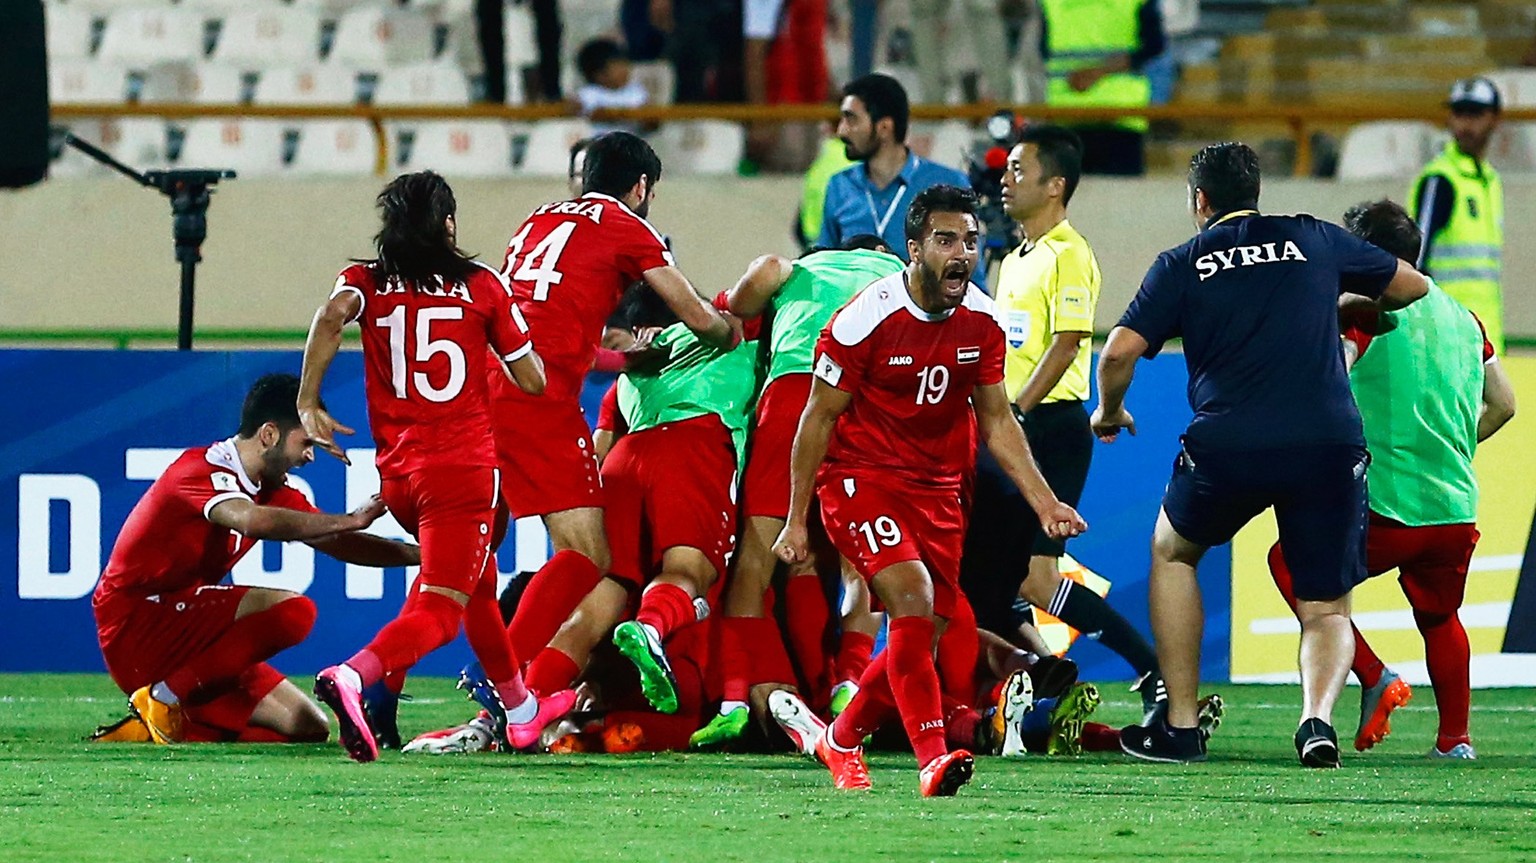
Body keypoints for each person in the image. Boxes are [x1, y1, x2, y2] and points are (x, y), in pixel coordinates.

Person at [1094, 142, 1430, 768]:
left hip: (1231, 442)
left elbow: (1117, 352)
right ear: (1256, 193)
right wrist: (1346, 303)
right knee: (1326, 605)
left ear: (1199, 200)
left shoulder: (1183, 262)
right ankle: (1317, 721)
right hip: (1326, 441)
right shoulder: (1312, 237)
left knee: (1174, 552)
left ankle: (1182, 725)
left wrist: (1109, 410)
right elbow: (1411, 286)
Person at [774, 185, 1087, 796]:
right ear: (913, 249)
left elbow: (997, 420)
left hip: (941, 493)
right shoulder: (867, 317)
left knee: (925, 629)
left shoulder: (983, 320)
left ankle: (839, 739)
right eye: (946, 240)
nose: (962, 253)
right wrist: (794, 520)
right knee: (913, 600)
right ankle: (931, 760)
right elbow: (817, 418)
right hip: (861, 480)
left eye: (971, 241)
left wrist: (1044, 501)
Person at [299, 171, 572, 763]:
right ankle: (354, 675)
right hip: (462, 473)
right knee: (442, 613)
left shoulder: (363, 281)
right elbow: (533, 379)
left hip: (398, 476)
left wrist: (308, 400)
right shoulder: (482, 286)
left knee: (476, 586)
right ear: (448, 224)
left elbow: (328, 317)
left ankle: (521, 712)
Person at [1267, 200, 1516, 761]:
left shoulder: (1368, 310)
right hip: (1453, 505)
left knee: (1290, 564)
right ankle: (1455, 741)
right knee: (1441, 617)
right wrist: (1449, 448)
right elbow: (1503, 404)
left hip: (1385, 504)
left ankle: (1375, 676)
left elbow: (1333, 379)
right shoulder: (1465, 318)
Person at [491, 131, 738, 671]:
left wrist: (623, 360)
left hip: (487, 383)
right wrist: (726, 332)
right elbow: (694, 314)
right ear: (642, 186)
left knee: (473, 555)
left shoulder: (539, 218)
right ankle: (503, 683)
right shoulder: (629, 226)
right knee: (587, 555)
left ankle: (383, 682)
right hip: (539, 397)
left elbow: (550, 318)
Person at [959, 124, 1166, 721]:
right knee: (996, 577)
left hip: (1046, 427)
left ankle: (1150, 669)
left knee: (1037, 578)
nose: (1005, 179)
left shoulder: (1070, 253)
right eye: (1006, 169)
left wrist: (1016, 411)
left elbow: (1070, 342)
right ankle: (1040, 684)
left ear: (1056, 186)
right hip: (1011, 428)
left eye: (1019, 170)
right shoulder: (1014, 259)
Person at [91, 373, 413, 745]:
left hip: (188, 637)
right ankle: (163, 699)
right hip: (138, 624)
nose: (309, 456)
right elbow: (249, 520)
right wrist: (353, 517)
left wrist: (429, 557)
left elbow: (341, 542)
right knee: (294, 612)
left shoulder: (269, 488)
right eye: (306, 442)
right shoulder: (200, 469)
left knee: (308, 726)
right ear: (269, 434)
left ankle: (156, 725)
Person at [689, 237, 906, 749]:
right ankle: (848, 683)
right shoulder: (897, 270)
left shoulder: (800, 271)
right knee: (861, 563)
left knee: (758, 560)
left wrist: (732, 304)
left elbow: (751, 285)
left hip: (796, 393)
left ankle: (735, 701)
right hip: (873, 401)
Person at [515, 285, 757, 719]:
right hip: (695, 446)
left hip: (624, 463)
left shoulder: (628, 375)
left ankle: (518, 708)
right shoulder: (724, 333)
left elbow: (598, 449)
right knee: (685, 572)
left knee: (594, 605)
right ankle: (650, 627)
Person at [817, 75, 973, 262]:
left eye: (851, 120)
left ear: (884, 127)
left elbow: (970, 273)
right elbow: (823, 266)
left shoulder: (948, 184)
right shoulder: (839, 186)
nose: (841, 130)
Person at [1409, 77, 1506, 354]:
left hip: (1485, 337)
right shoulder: (1440, 180)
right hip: (1448, 338)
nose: (1465, 124)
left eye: (1475, 114)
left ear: (1495, 119)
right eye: (1458, 113)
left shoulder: (1490, 181)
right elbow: (1415, 261)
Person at [1038, 0, 1165, 175]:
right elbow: (1153, 45)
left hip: (1108, 118)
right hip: (1102, 115)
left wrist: (1098, 71)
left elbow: (1154, 45)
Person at [575, 39, 650, 135]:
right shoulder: (590, 93)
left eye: (625, 64)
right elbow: (581, 112)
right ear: (600, 75)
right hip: (598, 146)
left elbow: (649, 122)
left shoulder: (636, 91)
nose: (625, 70)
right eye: (618, 67)